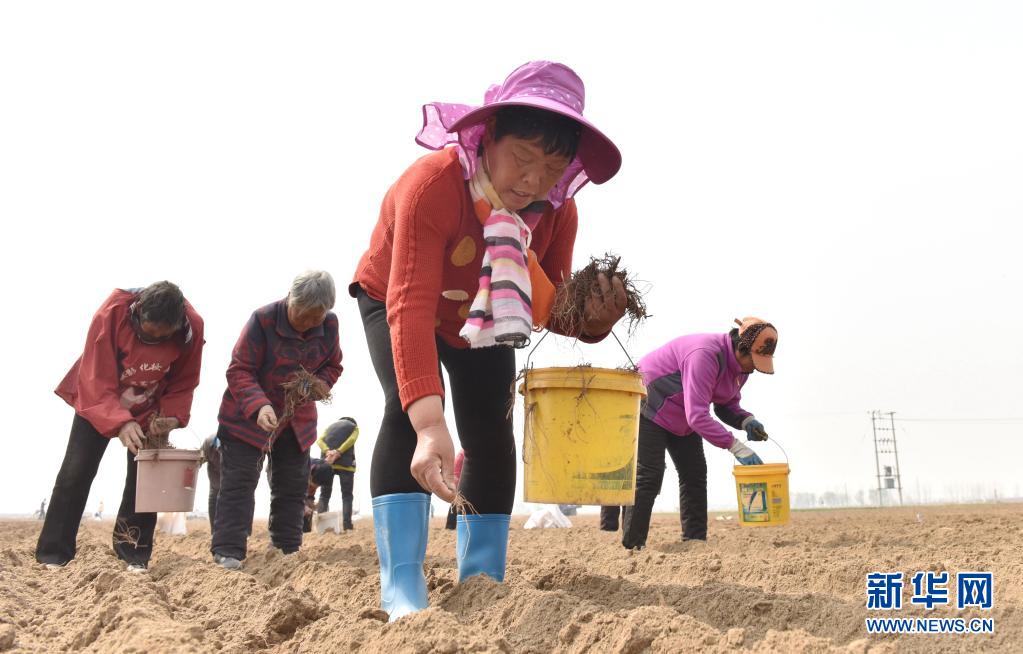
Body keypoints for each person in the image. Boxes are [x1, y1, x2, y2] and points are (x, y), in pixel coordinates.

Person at [350, 61, 626, 620]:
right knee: (405, 417)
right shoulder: (433, 186)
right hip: (396, 298)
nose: (531, 180)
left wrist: (596, 319)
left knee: (491, 433)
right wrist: (431, 425)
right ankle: (402, 585)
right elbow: (410, 303)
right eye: (522, 157)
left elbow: (550, 304)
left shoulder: (556, 212)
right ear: (489, 136)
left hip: (489, 308)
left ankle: (481, 579)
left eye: (550, 168)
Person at [36, 282, 204, 571]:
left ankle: (133, 554)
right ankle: (54, 554)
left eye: (161, 338)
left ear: (176, 327)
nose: (152, 343)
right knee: (76, 471)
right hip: (99, 398)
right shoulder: (111, 313)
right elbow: (95, 377)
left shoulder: (192, 327)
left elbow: (184, 380)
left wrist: (171, 416)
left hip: (151, 405)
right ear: (137, 313)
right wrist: (120, 421)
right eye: (146, 335)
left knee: (146, 481)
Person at [210, 271, 343, 570]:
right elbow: (239, 369)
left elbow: (333, 365)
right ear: (290, 300)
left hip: (297, 420)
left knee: (292, 485)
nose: (308, 323)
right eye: (302, 315)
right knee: (239, 484)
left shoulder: (331, 326)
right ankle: (229, 552)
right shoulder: (263, 320)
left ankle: (286, 549)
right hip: (247, 418)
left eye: (315, 318)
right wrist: (259, 406)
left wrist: (317, 385)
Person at [620, 317, 777, 550]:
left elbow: (725, 404)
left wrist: (746, 421)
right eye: (753, 362)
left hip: (683, 414)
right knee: (649, 474)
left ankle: (694, 541)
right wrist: (735, 446)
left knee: (694, 472)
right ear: (741, 349)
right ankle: (633, 546)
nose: (753, 369)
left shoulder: (741, 370)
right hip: (649, 404)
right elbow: (698, 416)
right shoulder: (705, 355)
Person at [315, 417, 359, 531]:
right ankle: (347, 525)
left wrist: (327, 451)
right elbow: (351, 440)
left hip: (328, 464)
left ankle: (322, 527)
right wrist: (339, 452)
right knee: (347, 496)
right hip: (346, 466)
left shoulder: (329, 427)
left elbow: (319, 440)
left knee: (324, 495)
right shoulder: (354, 427)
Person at [200, 433, 222, 530]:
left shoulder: (240, 446)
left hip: (236, 477)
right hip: (216, 478)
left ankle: (245, 532)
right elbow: (198, 461)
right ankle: (214, 531)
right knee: (214, 498)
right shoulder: (208, 442)